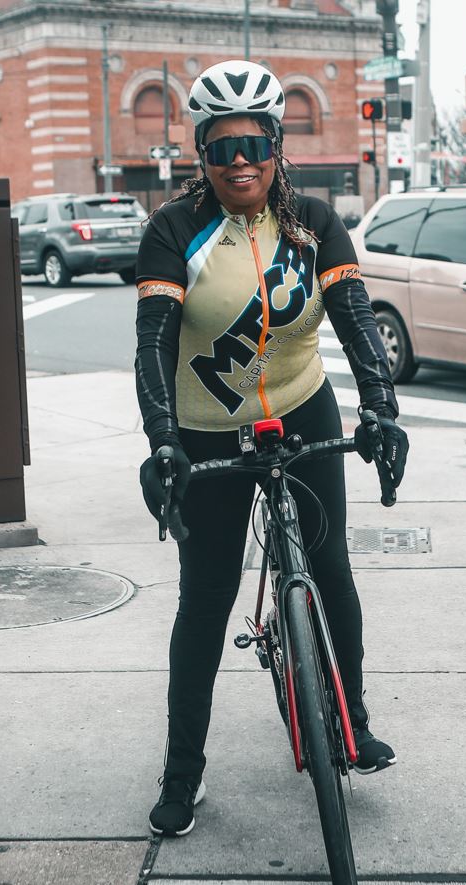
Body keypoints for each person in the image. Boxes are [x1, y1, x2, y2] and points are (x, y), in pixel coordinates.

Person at [133, 60, 409, 838]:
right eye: (223, 149)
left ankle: (349, 723)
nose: (241, 161)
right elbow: (153, 344)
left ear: (278, 146)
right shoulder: (174, 230)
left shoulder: (314, 222)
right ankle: (182, 776)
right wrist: (161, 443)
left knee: (332, 571)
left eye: (255, 144)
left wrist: (381, 410)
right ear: (202, 157)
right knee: (206, 600)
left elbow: (355, 321)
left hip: (302, 408)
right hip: (206, 433)